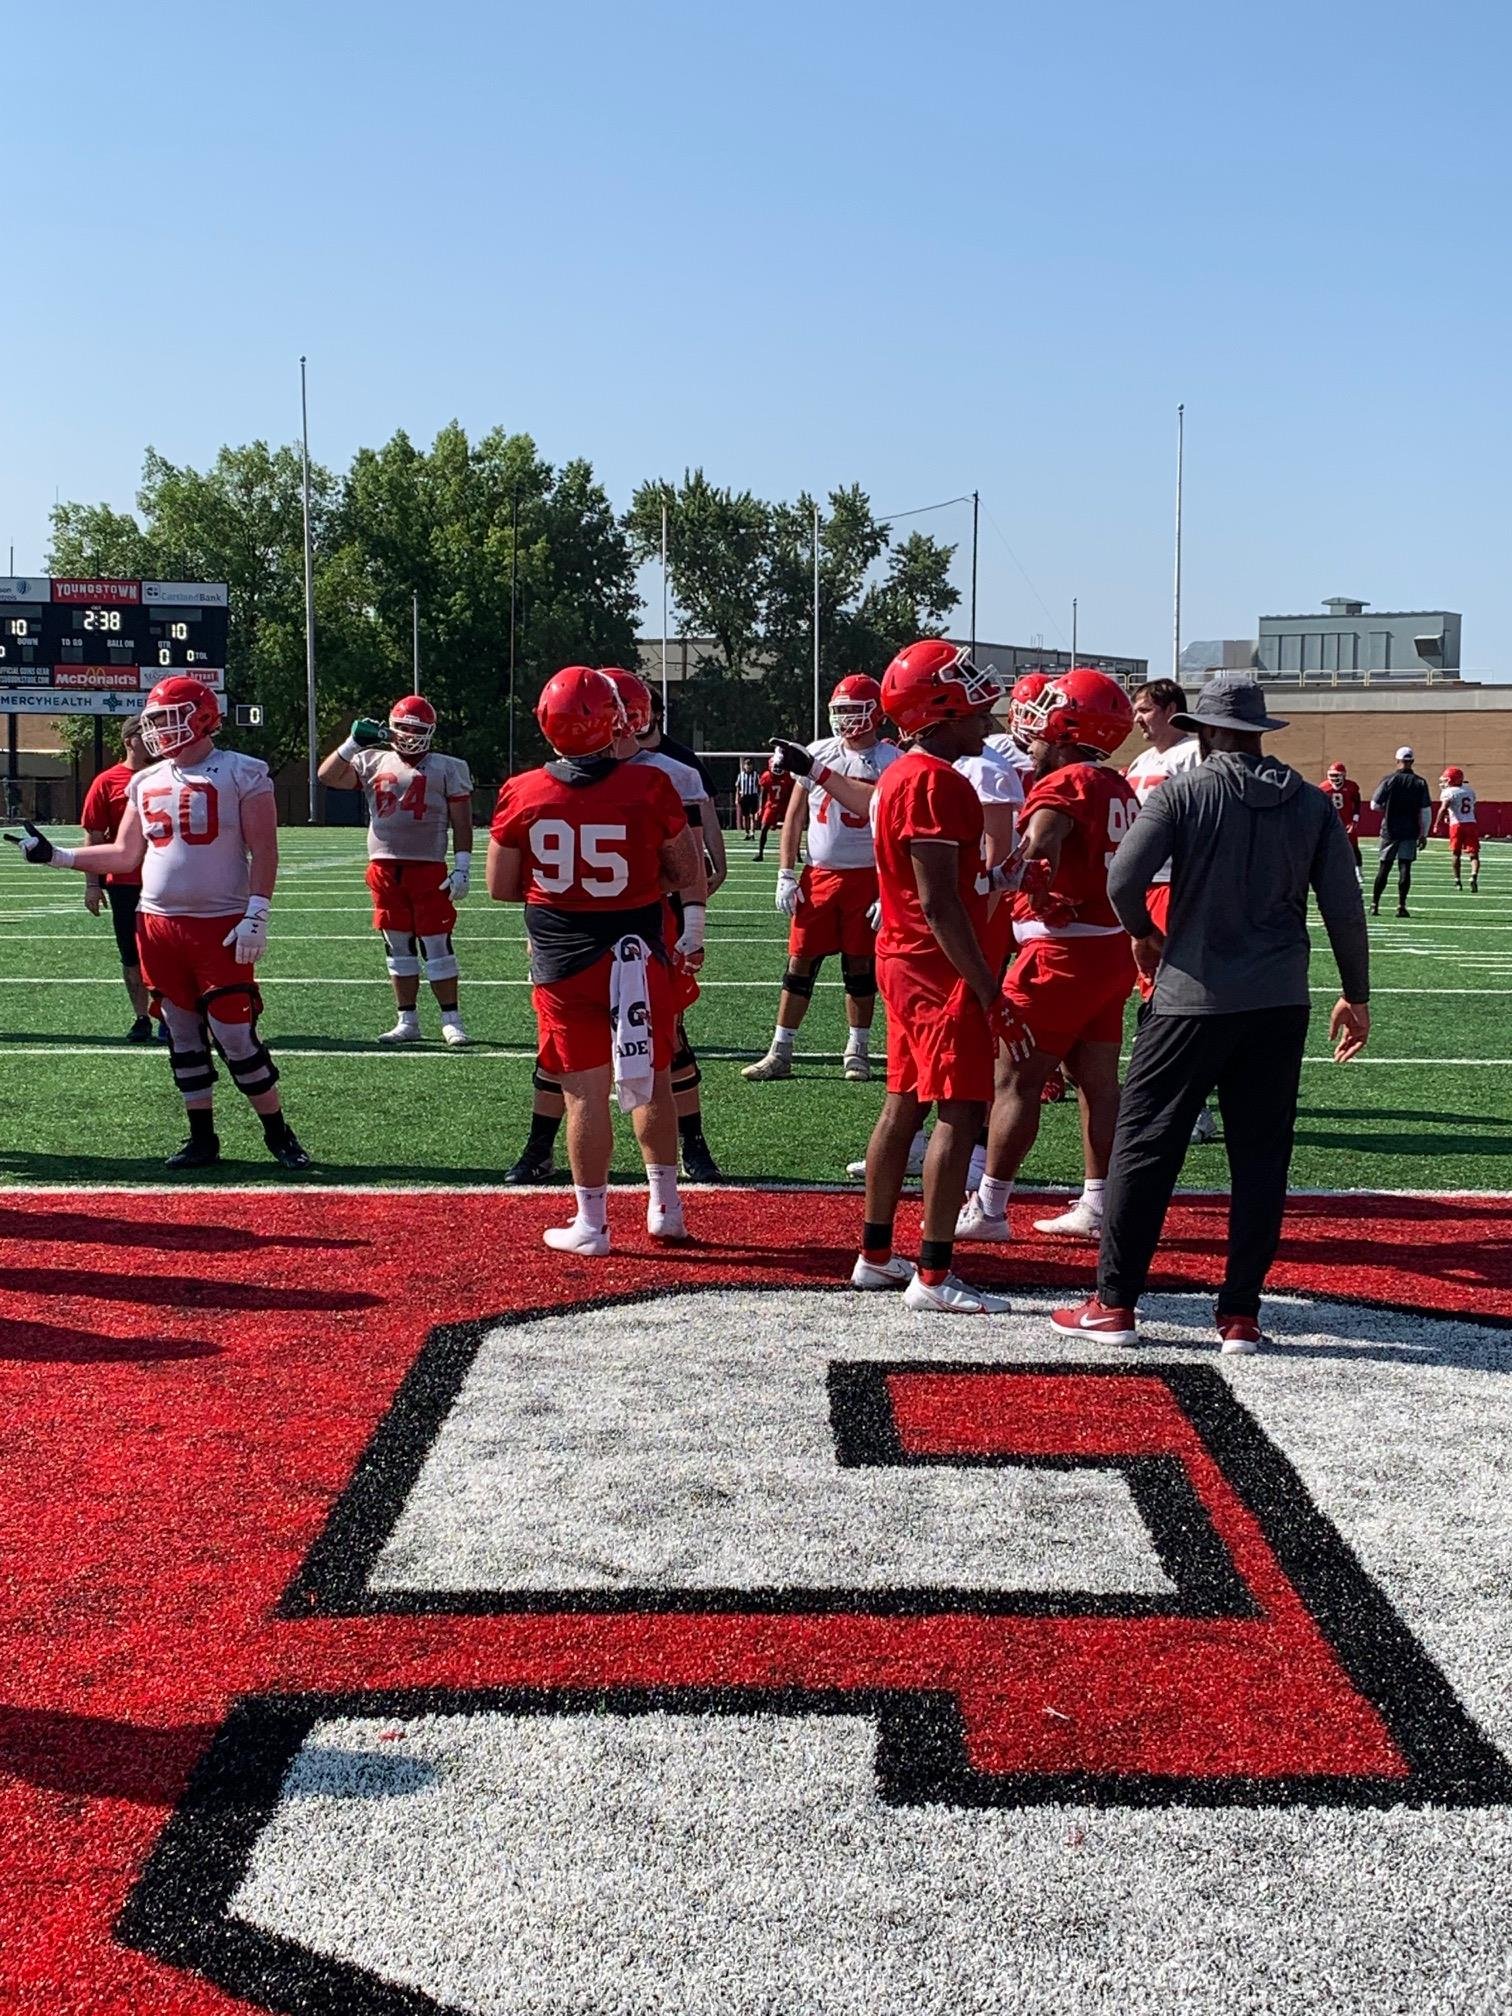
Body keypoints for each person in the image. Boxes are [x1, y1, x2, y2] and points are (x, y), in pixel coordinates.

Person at [1052, 674, 1369, 1355]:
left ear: (1206, 733)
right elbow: (1344, 905)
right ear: (1257, 732)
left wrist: (1141, 930)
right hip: (1280, 999)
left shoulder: (1184, 792)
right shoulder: (1311, 805)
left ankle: (1114, 1304)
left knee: (1145, 1146)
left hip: (1191, 997)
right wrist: (1357, 992)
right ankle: (1240, 1315)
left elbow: (1121, 881)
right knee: (1261, 1158)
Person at [7, 676, 310, 1171]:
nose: (159, 731)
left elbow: (265, 850)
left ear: (202, 717)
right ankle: (201, 1138)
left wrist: (258, 911)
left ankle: (278, 1133)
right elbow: (125, 854)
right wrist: (56, 856)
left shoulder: (243, 771)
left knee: (234, 1033)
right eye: (155, 722)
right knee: (182, 1033)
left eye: (169, 719)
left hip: (221, 922)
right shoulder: (145, 780)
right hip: (157, 922)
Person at [487, 666, 701, 1255]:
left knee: (584, 1092)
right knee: (651, 1081)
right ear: (616, 721)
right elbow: (688, 872)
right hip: (636, 952)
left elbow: (502, 887)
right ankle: (666, 1208)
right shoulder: (650, 786)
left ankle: (593, 1224)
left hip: (563, 961)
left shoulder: (522, 791)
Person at [852, 639, 1032, 1316]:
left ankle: (875, 1255)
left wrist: (1004, 878)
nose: (984, 716)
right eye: (968, 703)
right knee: (959, 1110)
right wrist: (988, 988)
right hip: (937, 968)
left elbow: (950, 886)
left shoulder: (907, 774)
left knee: (903, 1102)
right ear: (935, 711)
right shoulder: (934, 782)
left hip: (908, 957)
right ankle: (932, 1273)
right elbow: (939, 901)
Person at [956, 669, 1139, 1247]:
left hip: (1059, 955)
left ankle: (989, 1206)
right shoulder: (1115, 783)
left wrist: (1003, 888)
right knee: (1098, 1082)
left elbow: (1037, 852)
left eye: (1048, 709)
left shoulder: (1064, 785)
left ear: (1069, 722)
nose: (1031, 719)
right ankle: (1099, 1201)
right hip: (1109, 949)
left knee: (1015, 1080)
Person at [743, 675, 901, 1084]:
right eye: (841, 711)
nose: (846, 719)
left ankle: (857, 1048)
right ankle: (780, 1050)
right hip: (820, 874)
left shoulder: (892, 760)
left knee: (859, 966)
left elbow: (892, 830)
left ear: (876, 713)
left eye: (855, 709)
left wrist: (889, 890)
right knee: (800, 962)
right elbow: (795, 815)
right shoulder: (818, 752)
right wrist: (785, 872)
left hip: (868, 875)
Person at [317, 695, 474, 1046]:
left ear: (431, 732)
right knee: (397, 945)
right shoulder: (372, 758)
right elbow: (327, 775)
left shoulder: (448, 767)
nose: (408, 735)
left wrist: (463, 866)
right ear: (391, 727)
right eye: (402, 727)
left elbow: (462, 823)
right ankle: (408, 1020)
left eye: (417, 729)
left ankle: (451, 1019)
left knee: (436, 944)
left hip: (428, 867)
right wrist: (352, 741)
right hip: (384, 868)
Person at [1123, 677, 1215, 1148]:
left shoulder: (1192, 754)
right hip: (1142, 883)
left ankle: (1191, 1104)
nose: (1138, 718)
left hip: (1174, 883)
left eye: (1144, 709)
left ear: (1170, 709)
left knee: (1173, 992)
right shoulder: (1142, 761)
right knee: (1148, 988)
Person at [79, 715, 160, 1042]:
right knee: (131, 953)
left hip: (164, 880)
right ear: (130, 740)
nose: (154, 739)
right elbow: (94, 836)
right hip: (124, 882)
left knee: (165, 952)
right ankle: (141, 1017)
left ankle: (172, 1015)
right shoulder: (106, 782)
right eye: (147, 734)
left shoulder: (166, 775)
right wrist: (92, 883)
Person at [638, 688, 727, 895]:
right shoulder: (613, 757)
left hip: (673, 863)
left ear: (658, 714)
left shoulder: (684, 760)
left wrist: (720, 868)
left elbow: (708, 816)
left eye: (643, 709)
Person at [1370, 746, 1432, 919]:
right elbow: (1426, 810)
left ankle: (1375, 904)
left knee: (1384, 867)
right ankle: (1401, 906)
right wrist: (1424, 833)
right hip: (1410, 830)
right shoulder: (1420, 782)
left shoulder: (1389, 780)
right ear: (1412, 761)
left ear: (1397, 760)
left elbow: (1374, 805)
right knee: (1405, 868)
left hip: (1389, 830)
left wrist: (1387, 809)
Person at [1433, 766, 1480, 893]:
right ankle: (1473, 875)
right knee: (1474, 854)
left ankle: (1457, 880)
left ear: (1452, 780)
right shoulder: (1469, 791)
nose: (1444, 782)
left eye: (1446, 780)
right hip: (1470, 823)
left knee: (1456, 854)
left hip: (1457, 825)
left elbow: (1443, 808)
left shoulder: (1449, 792)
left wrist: (1437, 823)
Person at [1319, 760, 1363, 876]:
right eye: (1332, 775)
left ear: (1343, 775)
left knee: (1353, 847)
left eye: (1337, 775)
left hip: (1347, 822)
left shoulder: (1351, 786)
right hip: (1331, 822)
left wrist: (1355, 820)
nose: (1334, 778)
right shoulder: (1323, 787)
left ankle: (1358, 871)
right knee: (1328, 847)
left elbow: (1357, 803)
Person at [754, 763, 793, 861]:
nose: (778, 770)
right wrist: (760, 809)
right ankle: (760, 853)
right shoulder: (767, 776)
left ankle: (797, 855)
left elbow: (791, 793)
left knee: (792, 828)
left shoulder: (788, 776)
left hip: (784, 804)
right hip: (771, 804)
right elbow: (762, 794)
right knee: (764, 828)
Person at [735, 757, 762, 838]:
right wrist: (737, 798)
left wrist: (759, 797)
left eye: (750, 765)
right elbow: (738, 787)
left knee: (753, 815)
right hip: (744, 796)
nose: (748, 767)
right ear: (744, 766)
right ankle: (746, 833)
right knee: (745, 816)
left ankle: (752, 832)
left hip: (753, 796)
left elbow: (759, 786)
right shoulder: (741, 775)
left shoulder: (756, 775)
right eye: (747, 765)